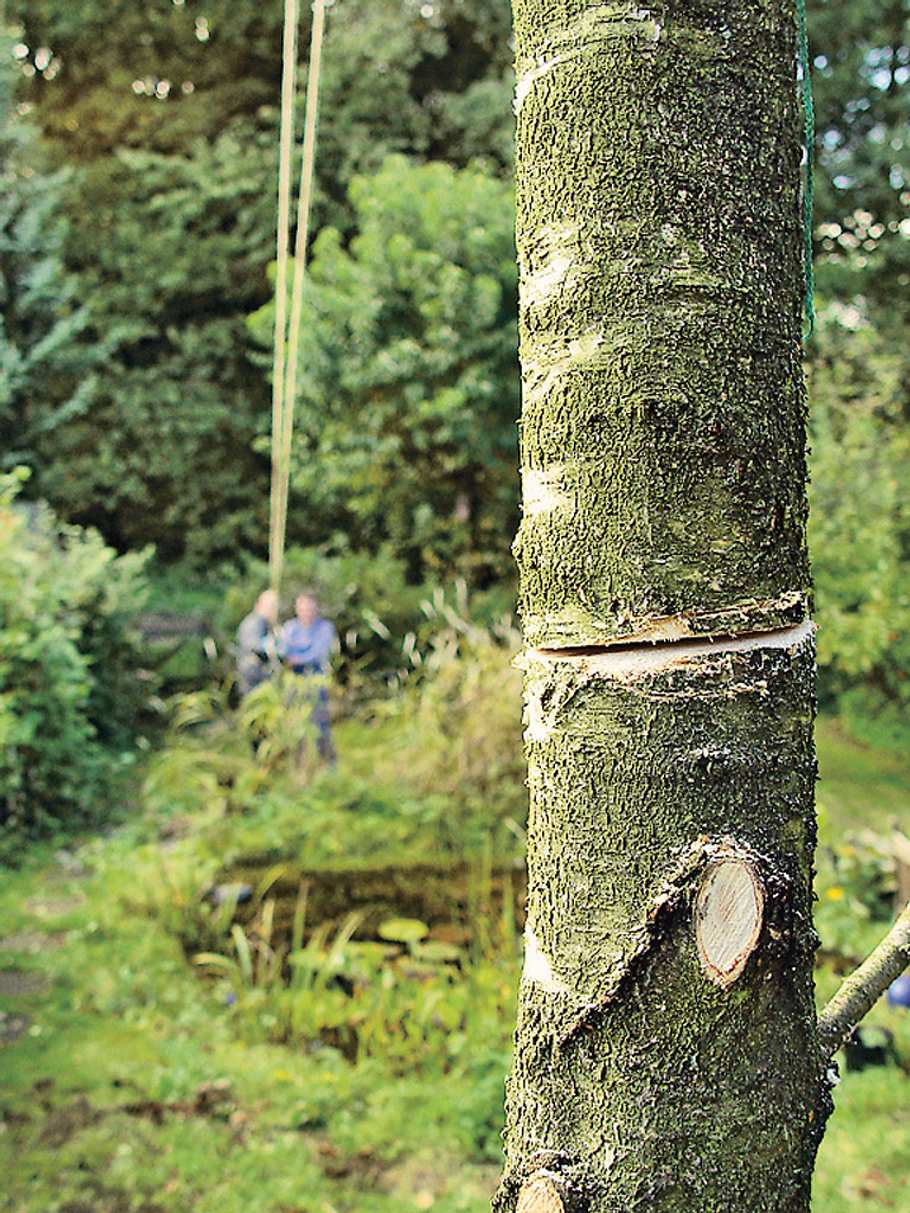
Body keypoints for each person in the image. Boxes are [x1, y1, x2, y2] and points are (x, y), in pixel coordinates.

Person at [280, 591, 337, 763]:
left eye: (309, 607)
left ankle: (330, 768)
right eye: (302, 607)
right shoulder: (290, 627)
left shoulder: (325, 627)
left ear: (315, 608)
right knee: (295, 725)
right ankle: (298, 766)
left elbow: (317, 655)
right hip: (294, 683)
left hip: (315, 682)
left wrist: (296, 657)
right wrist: (295, 657)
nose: (305, 611)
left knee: (321, 725)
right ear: (297, 608)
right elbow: (283, 651)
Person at [236, 589, 279, 697]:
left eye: (274, 607)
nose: (273, 611)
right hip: (252, 673)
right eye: (270, 606)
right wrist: (272, 646)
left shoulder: (263, 623)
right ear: (258, 604)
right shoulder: (254, 622)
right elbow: (254, 646)